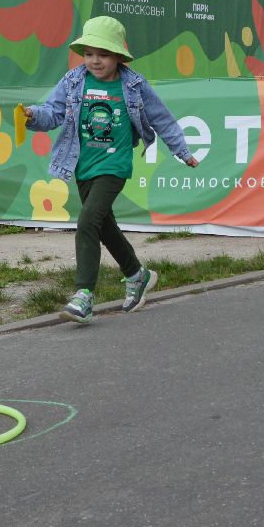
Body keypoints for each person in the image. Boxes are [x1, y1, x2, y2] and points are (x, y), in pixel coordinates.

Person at [23, 16, 199, 324]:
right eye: (89, 54)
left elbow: (162, 118)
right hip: (82, 164)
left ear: (118, 55)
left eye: (102, 55)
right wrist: (31, 116)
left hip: (115, 163)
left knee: (88, 221)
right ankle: (136, 274)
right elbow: (53, 113)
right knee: (104, 226)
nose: (94, 61)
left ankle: (83, 295)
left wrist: (182, 151)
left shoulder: (133, 84)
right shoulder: (74, 80)